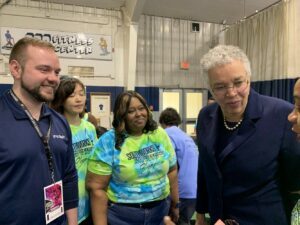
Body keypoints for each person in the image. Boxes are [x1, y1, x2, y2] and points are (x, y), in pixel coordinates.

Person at [194, 45, 300, 225]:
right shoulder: (206, 116)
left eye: (238, 83)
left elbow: (295, 185)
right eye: (220, 87)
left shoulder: (281, 114)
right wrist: (200, 213)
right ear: (210, 89)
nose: (231, 93)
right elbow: (205, 168)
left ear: (249, 80)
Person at [0, 37, 78, 225]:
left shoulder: (59, 121)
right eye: (44, 70)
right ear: (16, 69)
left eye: (57, 72)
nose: (53, 78)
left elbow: (69, 177)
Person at [86, 90, 180, 225]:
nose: (139, 114)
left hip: (160, 211)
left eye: (142, 108)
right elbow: (96, 188)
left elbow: (172, 170)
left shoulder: (158, 134)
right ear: (121, 115)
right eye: (131, 111)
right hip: (123, 215)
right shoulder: (108, 142)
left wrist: (175, 204)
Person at [51, 76, 98, 225]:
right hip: (65, 205)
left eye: (81, 94)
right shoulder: (54, 129)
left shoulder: (90, 128)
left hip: (88, 202)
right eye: (72, 95)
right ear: (61, 99)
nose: (78, 99)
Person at [159, 107, 199, 225]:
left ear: (162, 122)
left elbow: (169, 166)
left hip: (179, 194)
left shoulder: (166, 136)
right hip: (194, 193)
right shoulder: (188, 138)